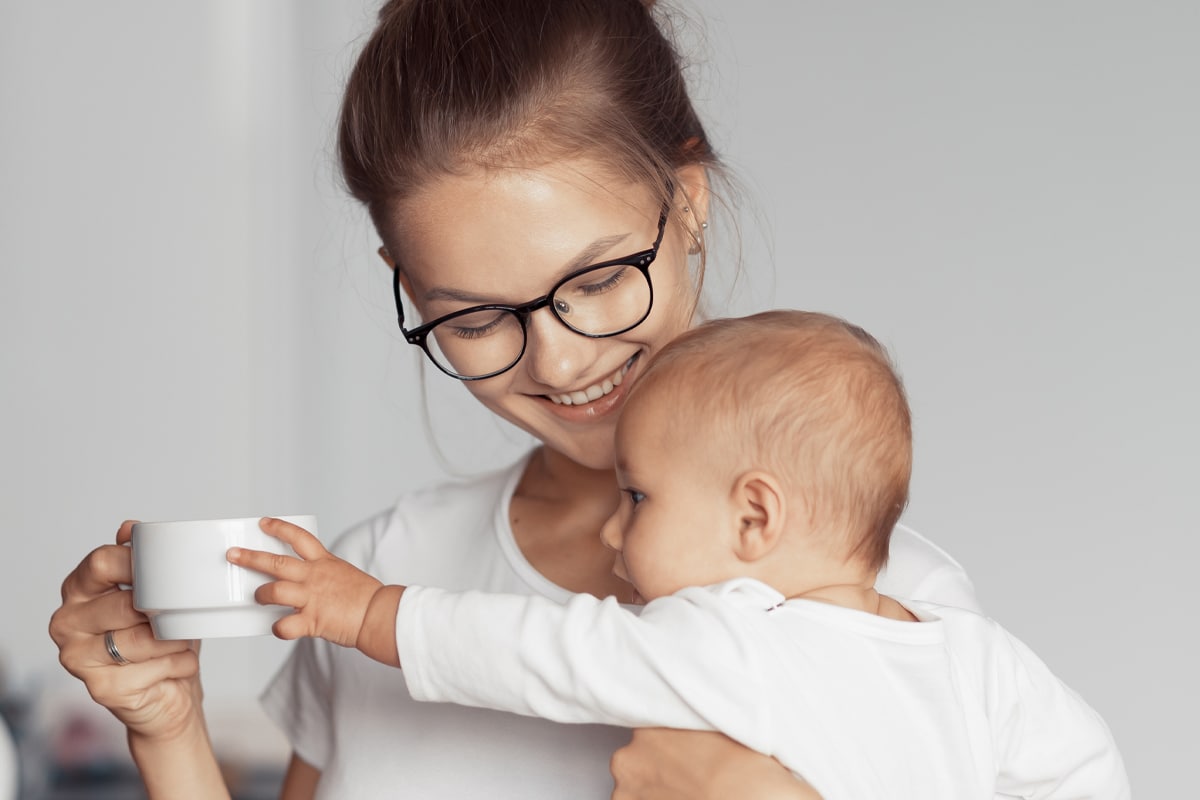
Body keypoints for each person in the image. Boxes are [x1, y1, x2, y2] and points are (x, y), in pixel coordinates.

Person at [49, 1, 985, 798]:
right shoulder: (380, 572)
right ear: (410, 289)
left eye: (598, 279)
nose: (560, 359)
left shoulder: (893, 613)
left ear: (687, 198)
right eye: (477, 318)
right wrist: (168, 728)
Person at [232, 310, 1129, 799]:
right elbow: (1088, 769)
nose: (615, 533)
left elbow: (539, 652)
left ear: (754, 518)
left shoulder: (727, 636)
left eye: (639, 499)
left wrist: (367, 611)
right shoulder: (971, 654)